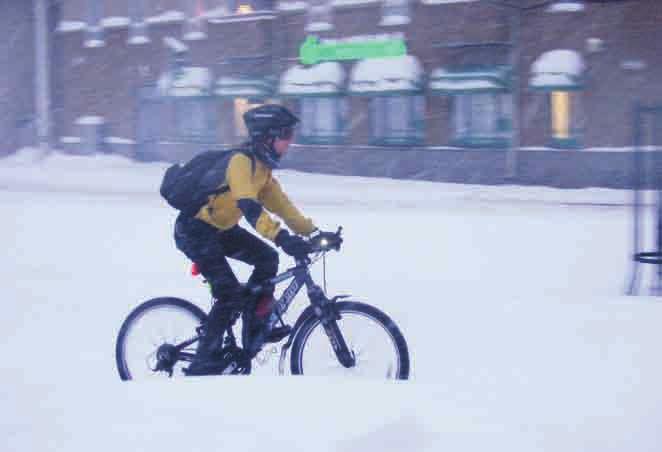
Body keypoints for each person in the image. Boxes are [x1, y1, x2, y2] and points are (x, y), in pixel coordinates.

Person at [174, 104, 318, 376]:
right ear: (266, 137)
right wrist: (281, 237)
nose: (290, 141)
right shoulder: (241, 163)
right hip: (194, 230)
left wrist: (313, 233)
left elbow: (284, 208)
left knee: (267, 259)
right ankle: (203, 362)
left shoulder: (262, 171)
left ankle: (254, 325)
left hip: (221, 229)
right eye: (285, 134)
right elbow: (250, 208)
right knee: (229, 294)